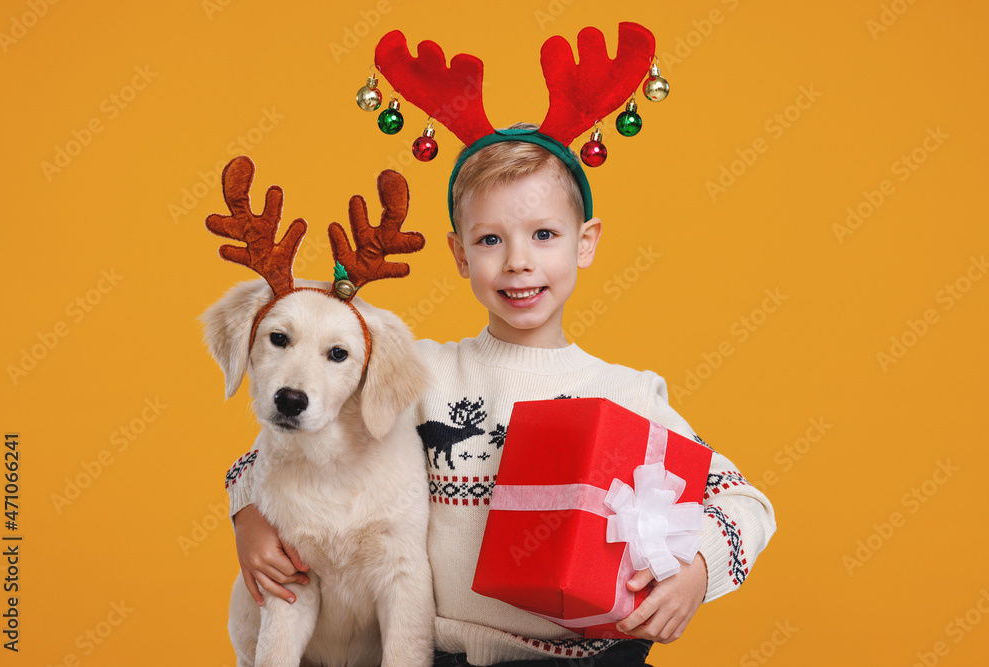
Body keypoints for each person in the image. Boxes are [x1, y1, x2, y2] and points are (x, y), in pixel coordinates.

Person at [224, 124, 776, 666]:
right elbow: (292, 441)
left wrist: (699, 568)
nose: (518, 261)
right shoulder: (424, 375)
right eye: (490, 239)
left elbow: (743, 500)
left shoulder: (627, 393)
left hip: (598, 656)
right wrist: (247, 513)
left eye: (544, 234)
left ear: (585, 243)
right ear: (460, 255)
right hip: (448, 655)